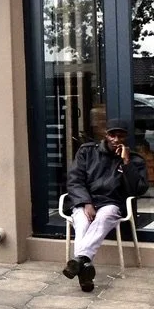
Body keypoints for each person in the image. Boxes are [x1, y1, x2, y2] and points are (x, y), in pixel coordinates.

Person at [63, 118, 149, 292]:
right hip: (85, 201)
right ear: (106, 134)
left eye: (120, 136)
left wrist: (126, 163)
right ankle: (85, 270)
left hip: (111, 203)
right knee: (82, 223)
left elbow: (137, 189)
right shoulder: (87, 151)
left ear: (126, 137)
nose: (116, 139)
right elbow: (75, 180)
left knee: (104, 216)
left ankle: (80, 261)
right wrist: (86, 202)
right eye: (112, 135)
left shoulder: (134, 160)